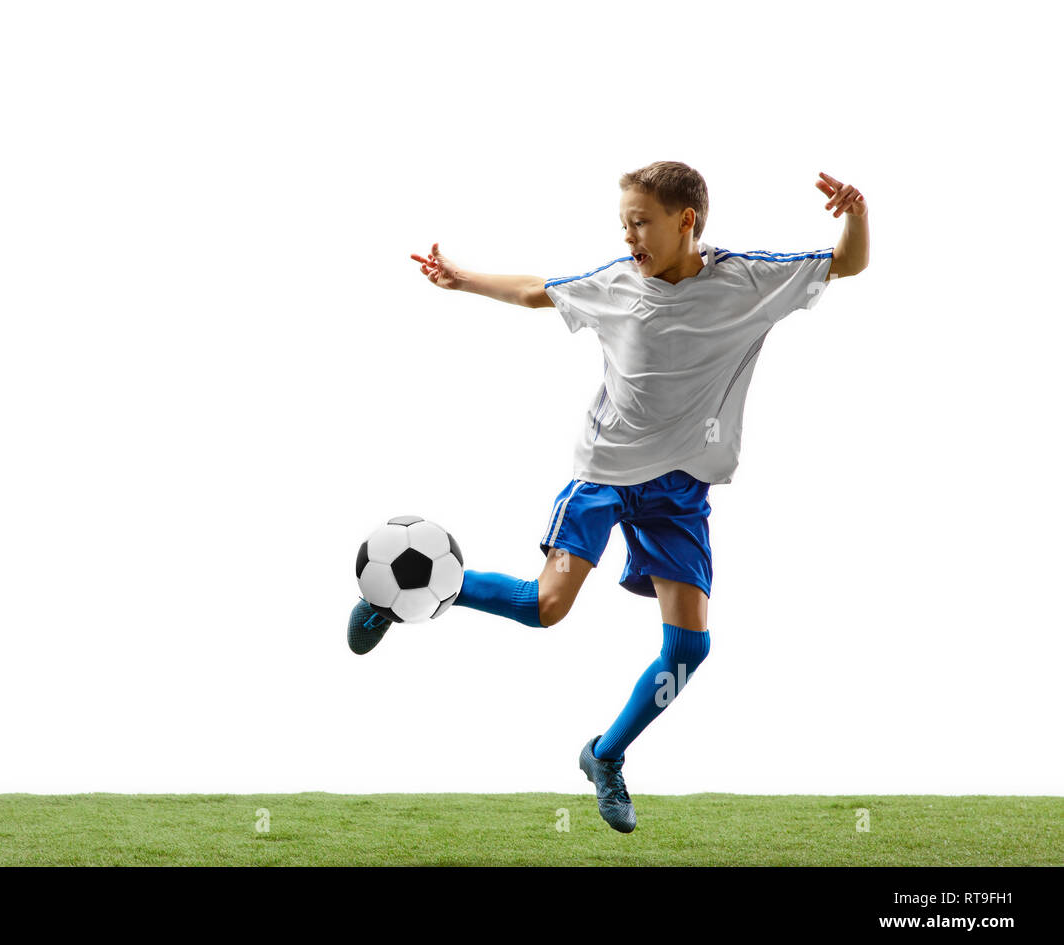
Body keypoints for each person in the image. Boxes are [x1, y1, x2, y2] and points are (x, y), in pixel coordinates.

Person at [347, 161, 869, 833]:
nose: (629, 237)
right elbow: (539, 290)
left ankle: (605, 756)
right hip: (604, 480)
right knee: (545, 607)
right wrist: (461, 278)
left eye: (641, 222)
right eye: (623, 224)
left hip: (678, 495)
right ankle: (400, 594)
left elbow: (847, 264)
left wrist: (856, 211)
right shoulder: (616, 285)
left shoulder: (748, 281)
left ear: (687, 221)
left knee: (689, 653)